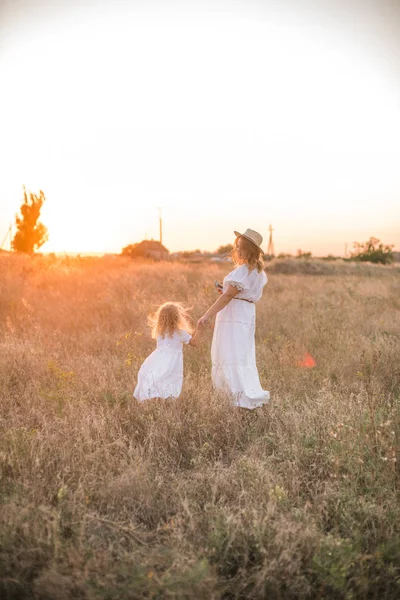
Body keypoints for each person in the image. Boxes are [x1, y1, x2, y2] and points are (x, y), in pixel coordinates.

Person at [198, 228, 269, 409]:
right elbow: (236, 294)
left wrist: (206, 316)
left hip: (235, 314)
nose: (237, 251)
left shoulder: (243, 271)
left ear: (250, 250)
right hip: (244, 312)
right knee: (240, 353)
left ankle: (234, 397)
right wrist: (227, 291)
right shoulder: (258, 271)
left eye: (241, 248)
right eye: (236, 247)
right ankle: (240, 393)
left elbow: (228, 297)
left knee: (230, 353)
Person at [133, 302, 200, 401]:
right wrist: (200, 328)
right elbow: (195, 343)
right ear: (177, 317)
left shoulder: (160, 331)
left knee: (157, 376)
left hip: (158, 359)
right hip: (172, 361)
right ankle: (164, 400)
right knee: (169, 379)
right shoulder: (180, 332)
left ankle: (154, 397)